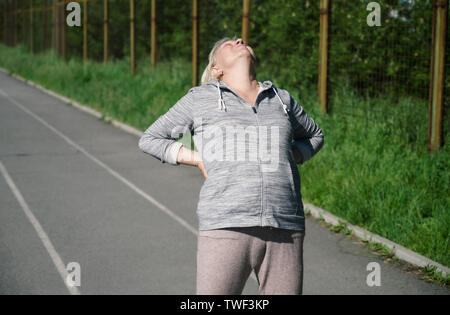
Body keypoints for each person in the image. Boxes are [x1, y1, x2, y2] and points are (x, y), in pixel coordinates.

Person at [138, 35, 324, 295]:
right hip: (226, 222)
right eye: (228, 44)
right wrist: (197, 158)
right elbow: (151, 138)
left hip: (285, 223)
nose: (239, 39)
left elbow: (315, 136)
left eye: (240, 40)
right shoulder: (201, 99)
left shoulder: (281, 100)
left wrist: (290, 154)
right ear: (217, 70)